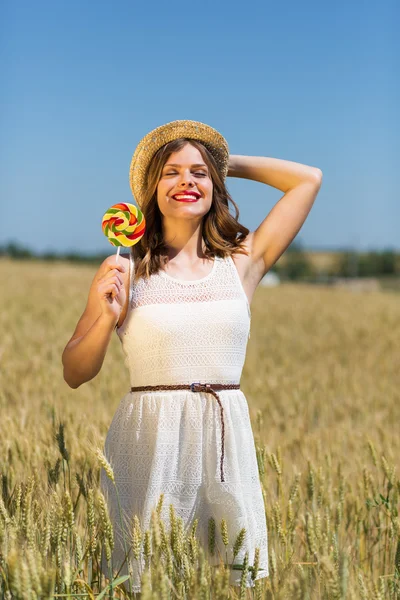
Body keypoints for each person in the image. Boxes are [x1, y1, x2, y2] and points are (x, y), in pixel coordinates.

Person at [62, 119, 322, 595]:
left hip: (224, 445)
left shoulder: (241, 261)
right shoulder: (125, 267)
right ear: (151, 188)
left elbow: (308, 179)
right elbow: (75, 371)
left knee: (222, 585)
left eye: (199, 174)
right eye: (171, 172)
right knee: (142, 581)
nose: (187, 182)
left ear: (215, 186)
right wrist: (104, 316)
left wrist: (222, 161)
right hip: (149, 443)